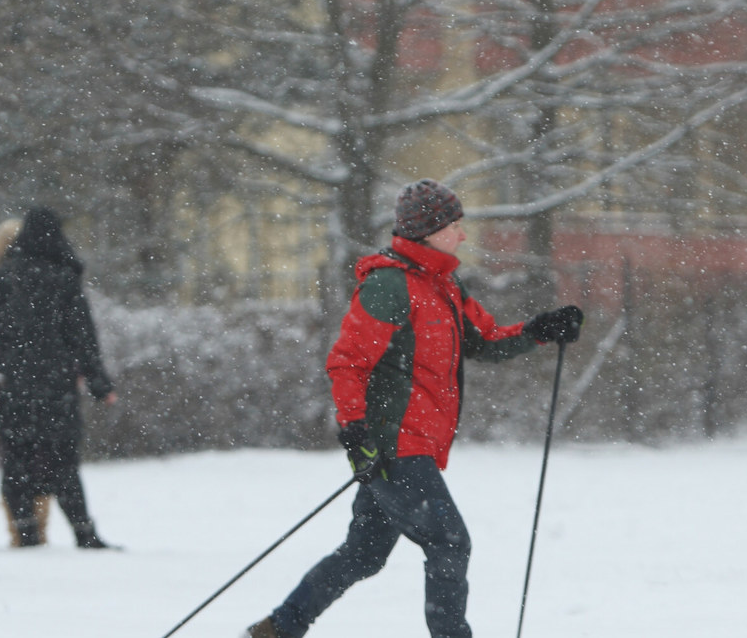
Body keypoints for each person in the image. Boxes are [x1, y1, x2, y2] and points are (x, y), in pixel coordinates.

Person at [245, 179, 583, 638]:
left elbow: (482, 342)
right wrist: (355, 432)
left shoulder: (444, 285)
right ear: (431, 230)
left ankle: (279, 629)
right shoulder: (389, 286)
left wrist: (540, 329)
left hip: (415, 443)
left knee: (363, 555)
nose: (463, 235)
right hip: (394, 446)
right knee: (450, 542)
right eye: (456, 226)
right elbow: (347, 363)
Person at [0, 207, 119, 549]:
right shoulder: (64, 279)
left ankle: (26, 533)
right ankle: (83, 532)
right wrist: (99, 383)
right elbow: (83, 337)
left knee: (17, 459)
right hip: (56, 386)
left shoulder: (1, 277)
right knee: (63, 460)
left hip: (12, 386)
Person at [0, 217, 55, 548]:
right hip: (46, 384)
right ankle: (38, 526)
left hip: (10, 385)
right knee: (42, 458)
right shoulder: (47, 276)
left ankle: (20, 528)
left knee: (14, 459)